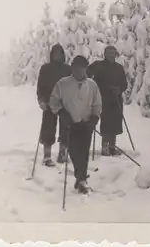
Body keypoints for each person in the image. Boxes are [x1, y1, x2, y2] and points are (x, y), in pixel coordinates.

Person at [49, 55, 102, 194]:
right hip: (69, 124)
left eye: (83, 68)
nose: (80, 71)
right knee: (73, 151)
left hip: (86, 124)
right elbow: (54, 101)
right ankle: (81, 177)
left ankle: (81, 179)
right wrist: (62, 113)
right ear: (72, 68)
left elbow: (97, 104)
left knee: (84, 152)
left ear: (85, 69)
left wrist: (94, 119)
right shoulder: (63, 83)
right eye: (77, 68)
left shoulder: (92, 85)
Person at [87, 46, 128, 156]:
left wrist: (119, 89)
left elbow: (124, 83)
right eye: (109, 53)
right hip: (103, 98)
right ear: (105, 54)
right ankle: (104, 147)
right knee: (105, 123)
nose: (112, 55)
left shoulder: (119, 68)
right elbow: (86, 73)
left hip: (116, 99)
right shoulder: (98, 65)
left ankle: (112, 147)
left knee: (115, 123)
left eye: (113, 53)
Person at [36, 43, 72, 166]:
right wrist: (41, 100)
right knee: (48, 128)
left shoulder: (68, 69)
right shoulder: (45, 68)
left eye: (60, 53)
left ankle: (62, 153)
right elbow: (40, 86)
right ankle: (47, 155)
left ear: (63, 55)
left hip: (64, 103)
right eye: (55, 53)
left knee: (66, 129)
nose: (58, 55)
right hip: (48, 102)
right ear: (52, 55)